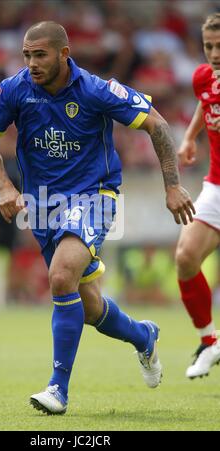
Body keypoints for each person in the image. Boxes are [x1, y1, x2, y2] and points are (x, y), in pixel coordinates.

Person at [0, 21, 194, 415]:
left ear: (64, 54)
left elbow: (157, 124)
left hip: (94, 196)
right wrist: (6, 188)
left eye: (39, 54)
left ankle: (58, 389)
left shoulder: (95, 89)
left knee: (61, 276)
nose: (31, 63)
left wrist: (172, 186)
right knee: (90, 307)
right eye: (26, 55)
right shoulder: (14, 89)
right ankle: (143, 335)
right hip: (42, 205)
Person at [175, 13, 220, 380]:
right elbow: (206, 102)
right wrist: (191, 136)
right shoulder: (203, 77)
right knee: (186, 257)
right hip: (217, 186)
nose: (215, 53)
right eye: (209, 46)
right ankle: (209, 341)